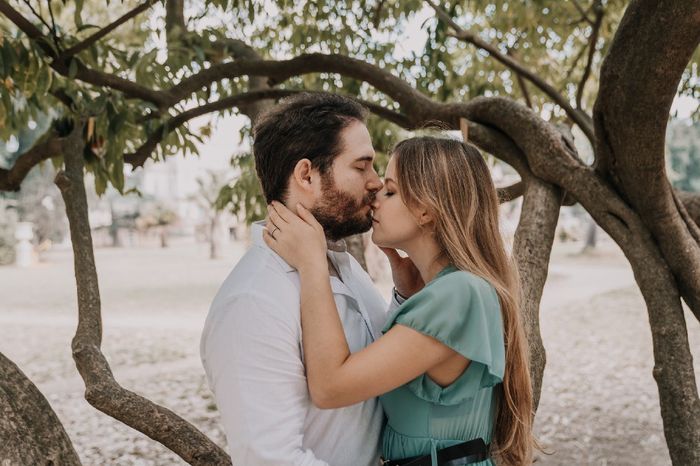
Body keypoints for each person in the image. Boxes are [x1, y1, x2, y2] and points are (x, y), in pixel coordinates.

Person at [264, 136, 536, 466]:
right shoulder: (451, 290)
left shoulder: (459, 293)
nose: (375, 198)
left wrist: (312, 265)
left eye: (390, 191)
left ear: (425, 210)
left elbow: (330, 388)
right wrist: (406, 295)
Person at [200, 93, 419, 466]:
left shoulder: (341, 264)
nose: (375, 182)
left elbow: (376, 371)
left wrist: (405, 297)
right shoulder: (253, 301)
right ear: (306, 175)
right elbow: (268, 459)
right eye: (361, 166)